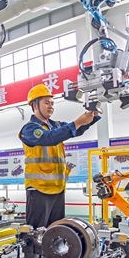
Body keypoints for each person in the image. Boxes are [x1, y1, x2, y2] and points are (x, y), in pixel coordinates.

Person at [18, 83, 100, 229]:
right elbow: (50, 138)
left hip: (58, 189)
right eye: (46, 103)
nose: (51, 106)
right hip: (38, 190)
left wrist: (93, 116)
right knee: (36, 233)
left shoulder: (55, 125)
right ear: (34, 105)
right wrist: (78, 122)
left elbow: (75, 130)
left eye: (52, 103)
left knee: (56, 232)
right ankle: (34, 253)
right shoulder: (29, 129)